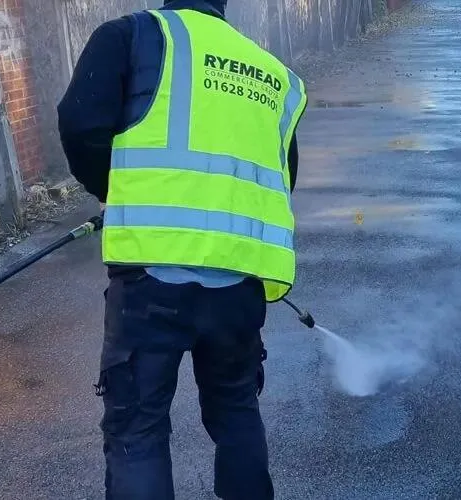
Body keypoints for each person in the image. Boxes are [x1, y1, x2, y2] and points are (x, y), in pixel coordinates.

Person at [57, 0, 307, 498]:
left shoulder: (133, 36)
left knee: (139, 432)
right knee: (237, 411)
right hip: (238, 282)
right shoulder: (272, 73)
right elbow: (285, 175)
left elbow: (81, 124)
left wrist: (122, 190)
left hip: (151, 278)